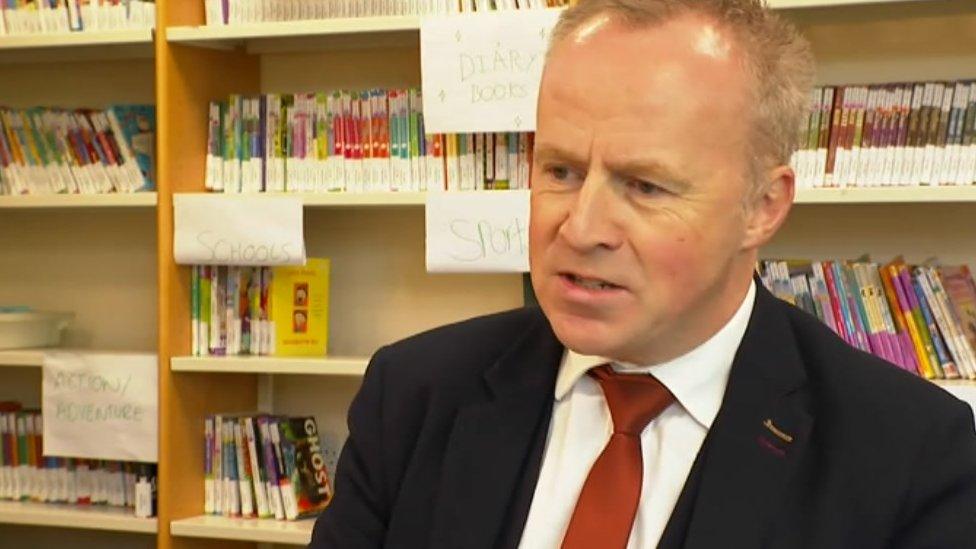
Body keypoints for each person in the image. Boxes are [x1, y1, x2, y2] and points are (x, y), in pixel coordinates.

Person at [311, 0, 976, 547]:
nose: (580, 227)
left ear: (762, 206)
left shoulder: (911, 455)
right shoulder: (414, 394)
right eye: (561, 171)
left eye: (646, 186)